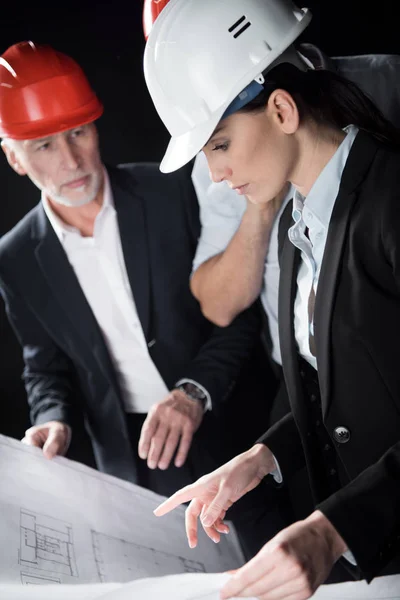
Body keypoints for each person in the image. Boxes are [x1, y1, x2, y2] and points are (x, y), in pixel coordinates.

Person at [144, 0, 400, 596]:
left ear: (282, 109)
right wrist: (260, 457)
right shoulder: (292, 230)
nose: (215, 175)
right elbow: (325, 383)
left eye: (220, 145)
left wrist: (334, 531)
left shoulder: (390, 204)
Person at [0, 40, 288, 558]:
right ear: (13, 158)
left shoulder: (171, 190)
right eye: (43, 145)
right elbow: (45, 367)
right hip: (135, 466)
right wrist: (52, 418)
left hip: (237, 428)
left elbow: (238, 312)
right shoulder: (15, 256)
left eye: (78, 133)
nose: (70, 160)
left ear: (96, 126)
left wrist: (193, 392)